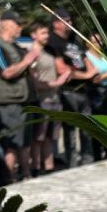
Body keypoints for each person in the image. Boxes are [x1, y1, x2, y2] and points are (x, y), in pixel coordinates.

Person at [0, 10, 38, 182]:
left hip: (24, 100)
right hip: (9, 101)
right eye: (17, 24)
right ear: (6, 25)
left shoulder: (16, 46)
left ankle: (26, 175)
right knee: (11, 144)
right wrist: (27, 60)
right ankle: (8, 180)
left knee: (25, 142)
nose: (20, 27)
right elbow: (6, 73)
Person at [47, 9, 98, 166]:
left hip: (84, 90)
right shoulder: (52, 42)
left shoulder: (74, 39)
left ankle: (88, 157)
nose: (70, 24)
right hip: (68, 91)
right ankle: (72, 160)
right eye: (66, 21)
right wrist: (87, 75)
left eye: (70, 20)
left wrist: (90, 72)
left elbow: (85, 59)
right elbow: (62, 70)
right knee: (70, 128)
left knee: (87, 125)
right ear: (56, 23)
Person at [28, 21, 70, 174]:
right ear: (33, 35)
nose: (46, 36)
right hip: (42, 100)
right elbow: (34, 81)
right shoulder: (31, 53)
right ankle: (36, 167)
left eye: (47, 33)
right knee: (38, 136)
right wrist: (56, 82)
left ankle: (49, 165)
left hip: (54, 99)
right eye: (42, 33)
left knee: (50, 136)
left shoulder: (48, 53)